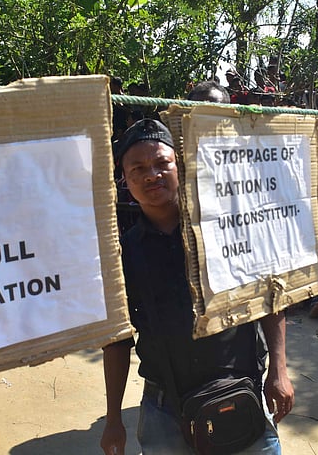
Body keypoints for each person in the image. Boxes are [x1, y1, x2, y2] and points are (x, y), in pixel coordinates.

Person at [100, 119, 293, 455]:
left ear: (181, 165)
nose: (151, 175)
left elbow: (268, 297)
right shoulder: (123, 254)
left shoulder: (226, 230)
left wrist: (279, 369)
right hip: (164, 411)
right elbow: (117, 341)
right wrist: (113, 418)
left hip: (241, 393)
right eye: (139, 168)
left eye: (162, 164)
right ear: (124, 178)